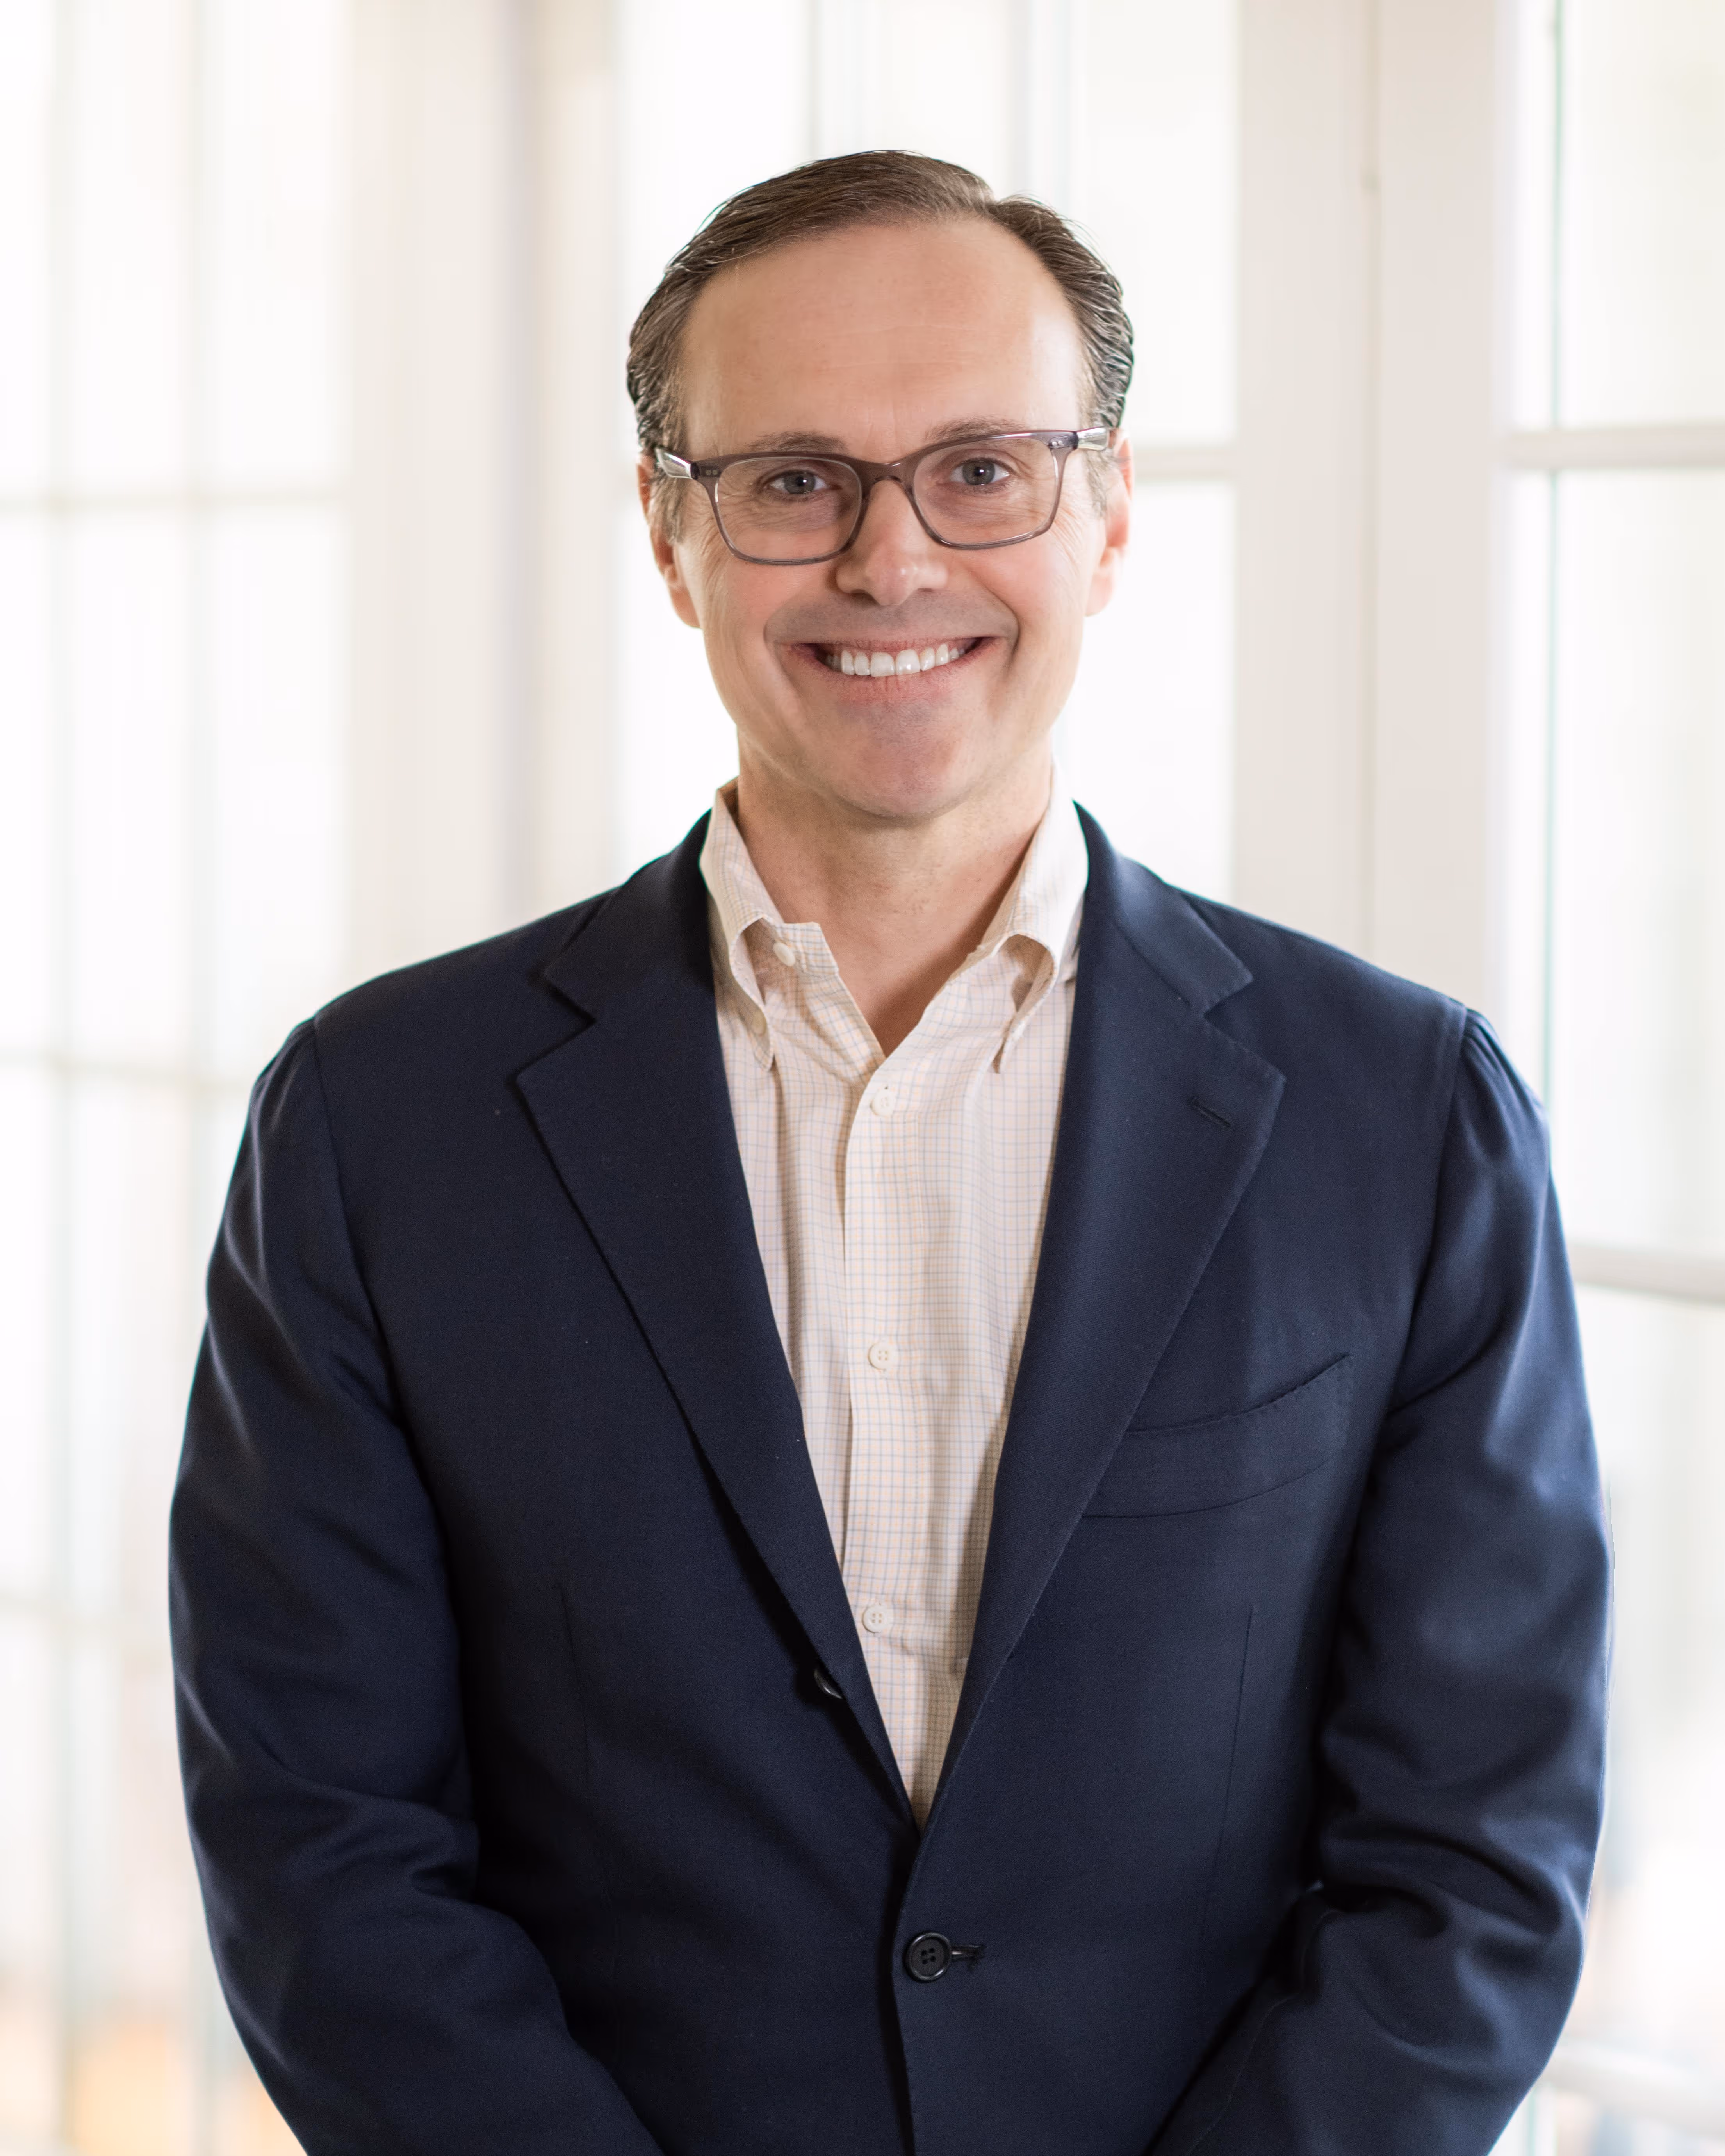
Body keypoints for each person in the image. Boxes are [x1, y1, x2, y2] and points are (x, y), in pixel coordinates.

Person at [171, 151, 1609, 2156]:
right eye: (792, 481)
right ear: (673, 539)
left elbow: (1475, 1858)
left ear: (1106, 517)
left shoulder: (1409, 1114)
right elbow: (325, 1853)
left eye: (983, 470)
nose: (892, 560)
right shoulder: (375, 1120)